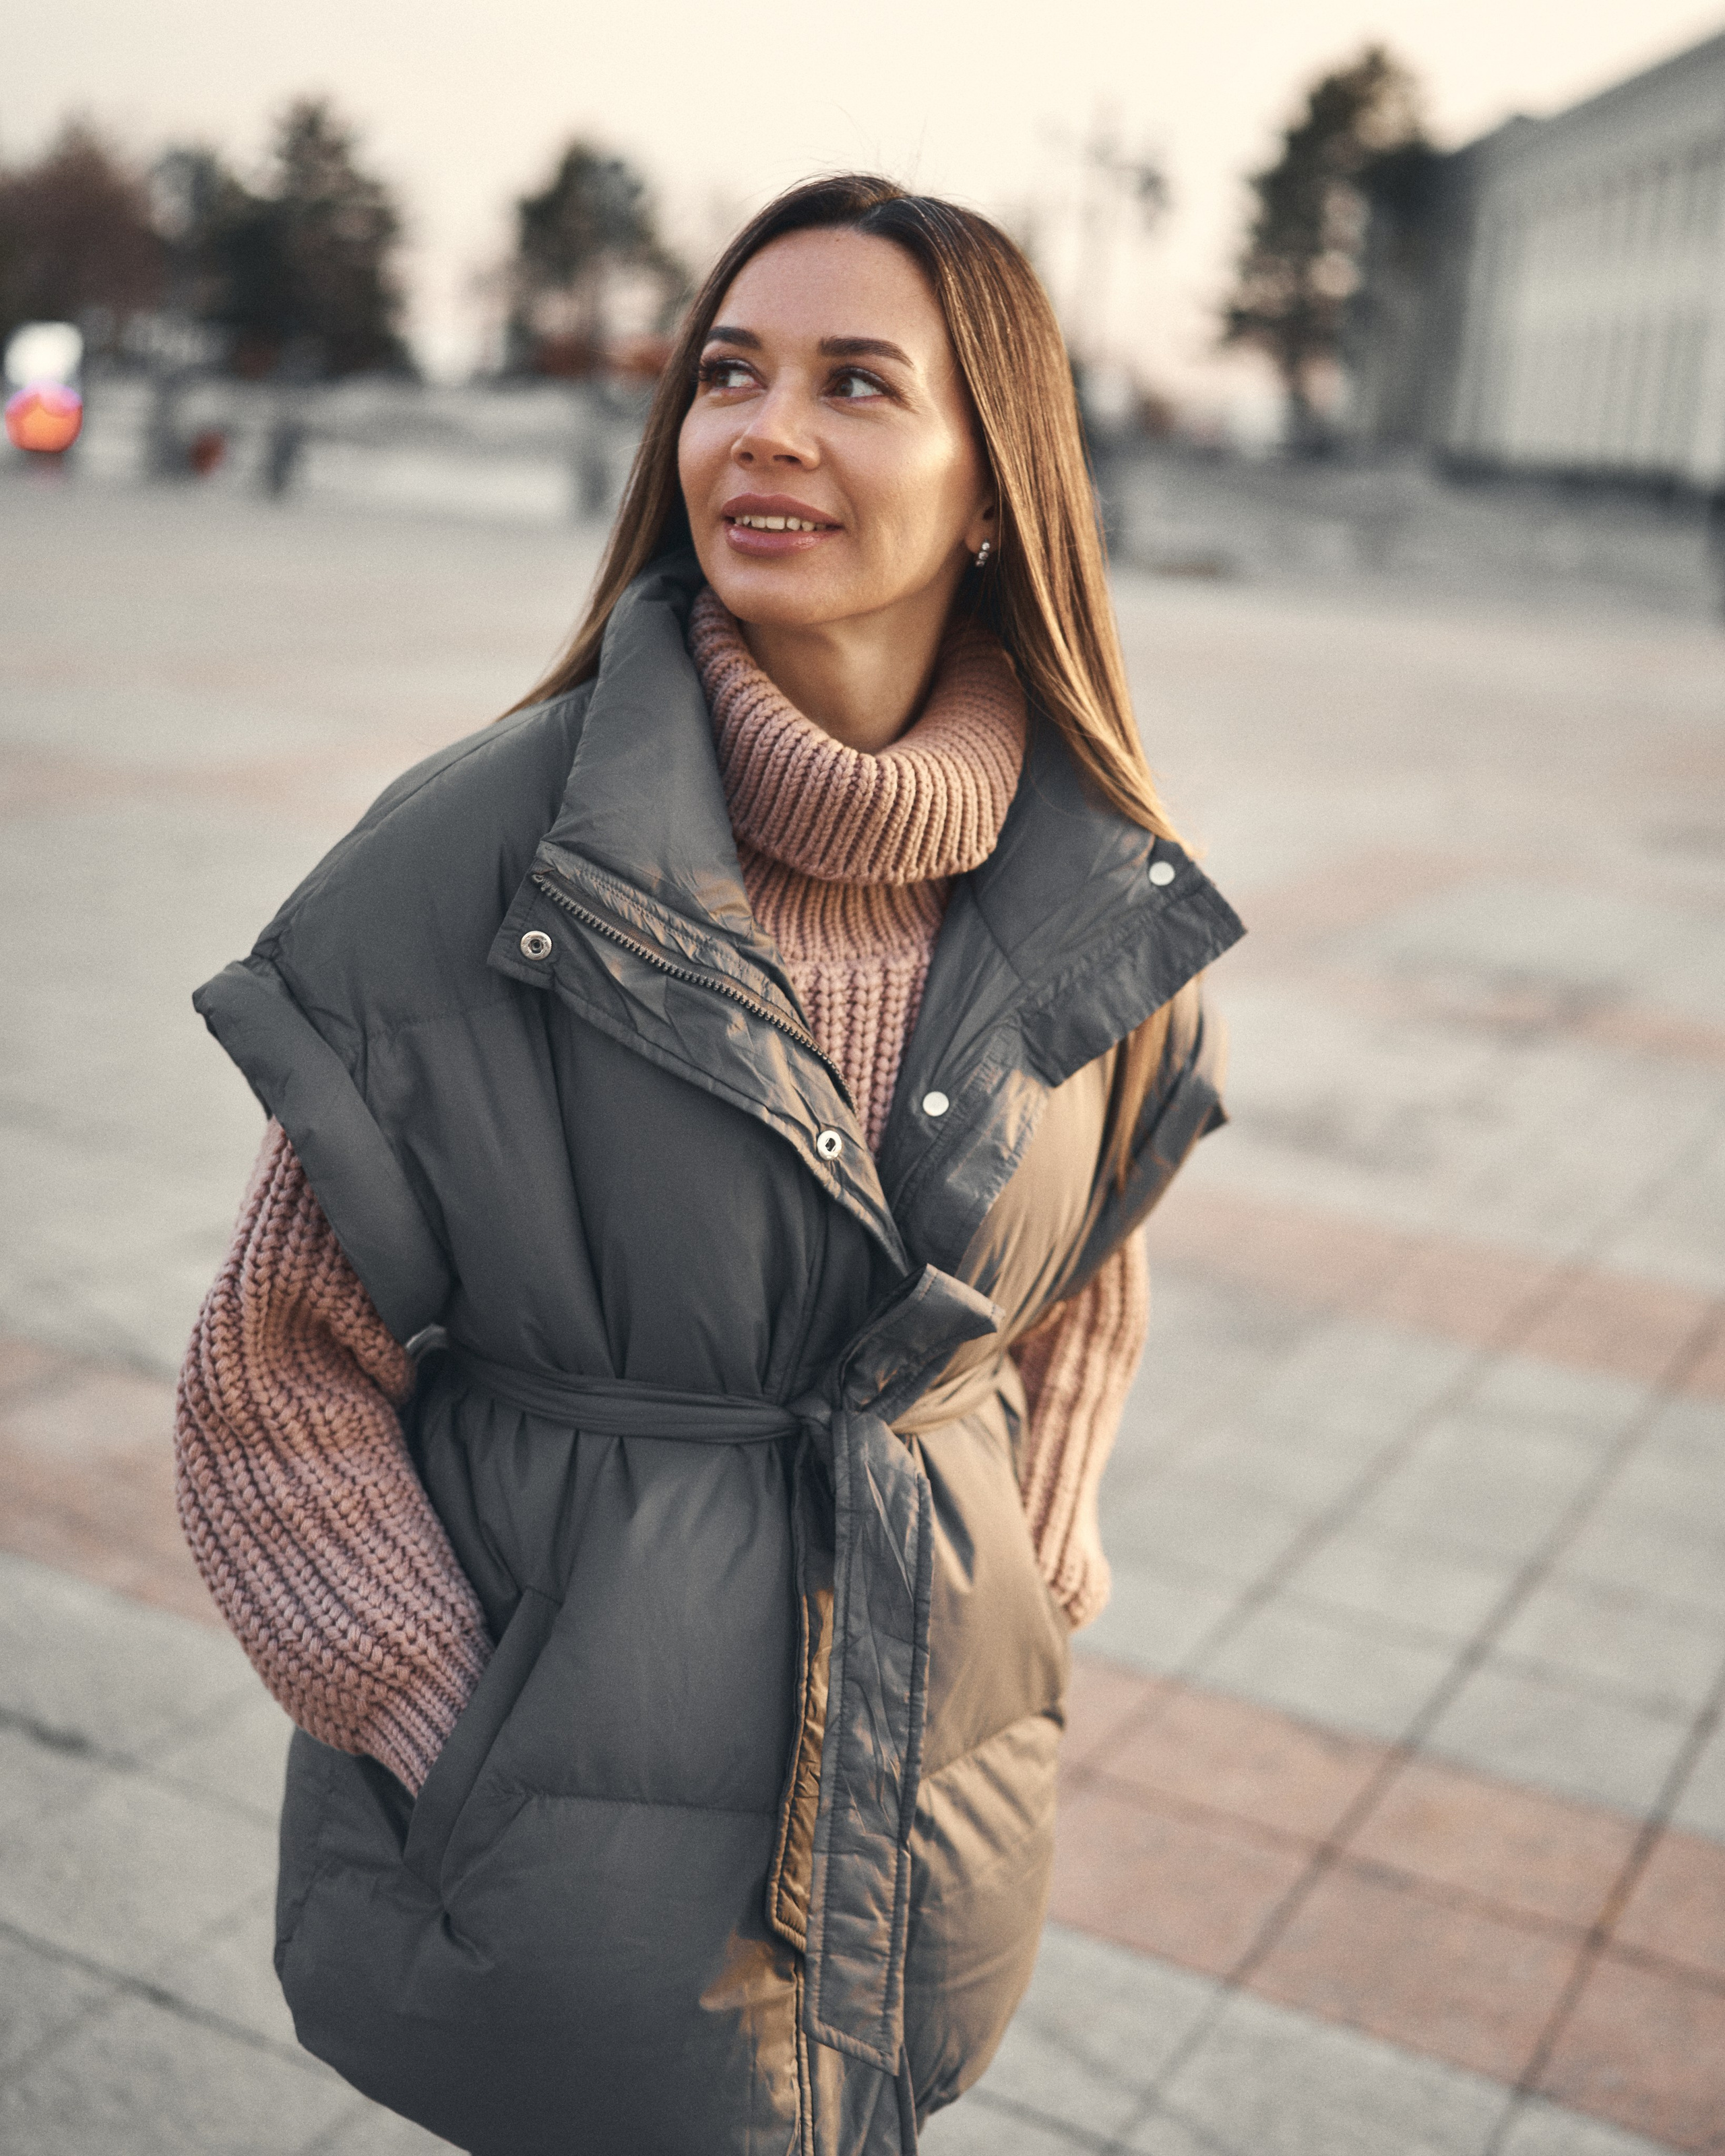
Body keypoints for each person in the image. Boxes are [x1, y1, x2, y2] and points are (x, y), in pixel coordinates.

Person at [175, 173, 1242, 2156]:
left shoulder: (1098, 885)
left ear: (995, 482)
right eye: (729, 373)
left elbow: (1090, 1261)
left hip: (936, 1818)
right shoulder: (483, 862)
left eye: (857, 383)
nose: (766, 429)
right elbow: (272, 1371)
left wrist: (1041, 1549)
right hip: (559, 1870)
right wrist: (459, 1727)